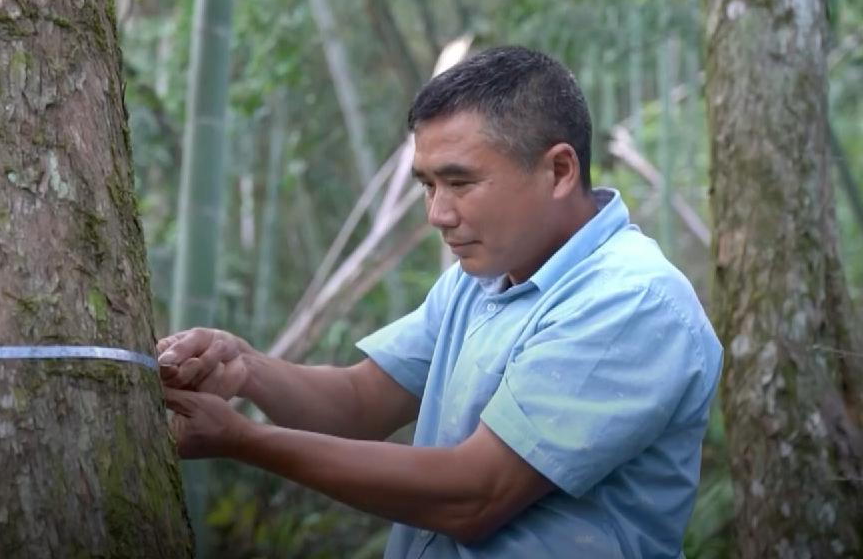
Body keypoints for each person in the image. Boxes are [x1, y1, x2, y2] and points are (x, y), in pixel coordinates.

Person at [157, 46, 722, 558]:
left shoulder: (630, 300)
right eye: (428, 185)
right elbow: (359, 402)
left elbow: (473, 497)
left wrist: (245, 440)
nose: (437, 214)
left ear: (558, 170)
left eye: (460, 183)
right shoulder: (479, 278)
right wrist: (246, 367)